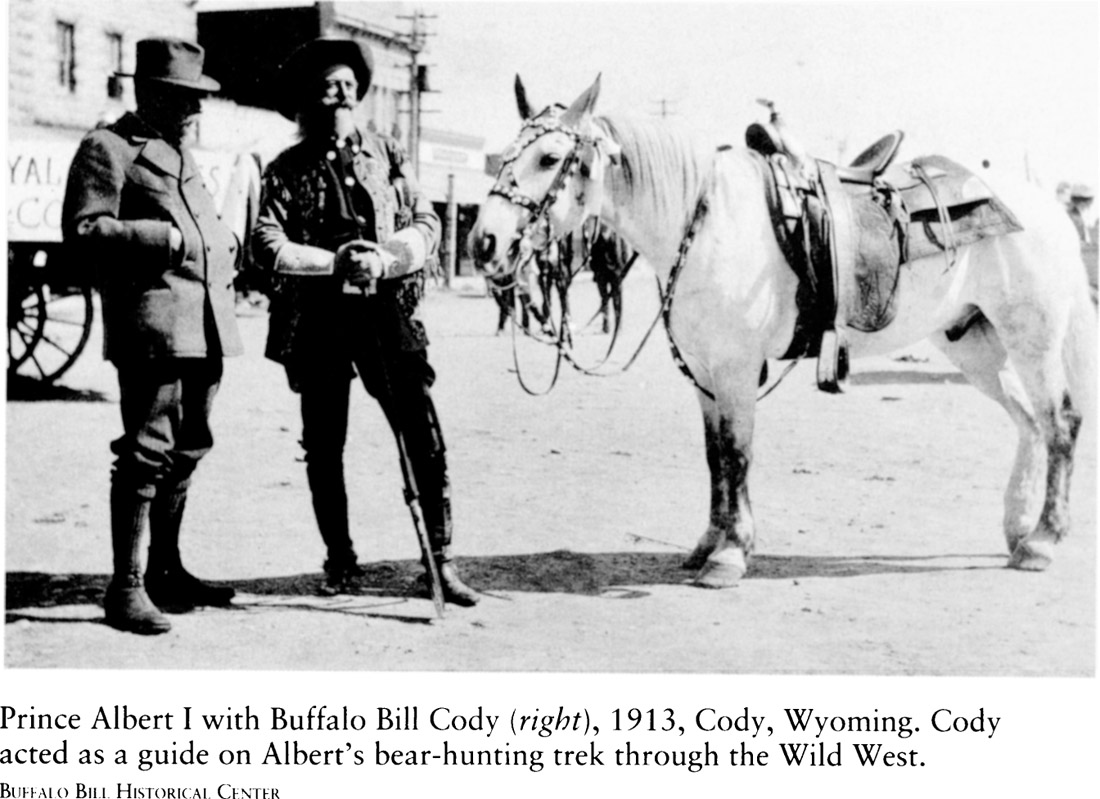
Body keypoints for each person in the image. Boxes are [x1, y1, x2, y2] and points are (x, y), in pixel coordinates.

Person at [252, 37, 478, 605]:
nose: (342, 94)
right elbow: (265, 240)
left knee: (421, 430)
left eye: (350, 86)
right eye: (329, 86)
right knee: (325, 445)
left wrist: (386, 255)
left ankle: (439, 560)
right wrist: (334, 263)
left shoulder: (388, 153)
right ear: (308, 99)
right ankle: (340, 559)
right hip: (317, 318)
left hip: (384, 309)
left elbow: (426, 218)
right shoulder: (284, 169)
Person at [62, 38, 244, 635]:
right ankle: (127, 586)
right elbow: (85, 232)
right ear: (151, 94)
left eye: (199, 99)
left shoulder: (180, 153)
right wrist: (161, 240)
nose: (197, 110)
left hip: (206, 327)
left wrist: (228, 246)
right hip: (155, 328)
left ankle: (167, 570)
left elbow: (203, 228)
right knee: (145, 452)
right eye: (186, 98)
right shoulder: (108, 147)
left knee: (189, 449)